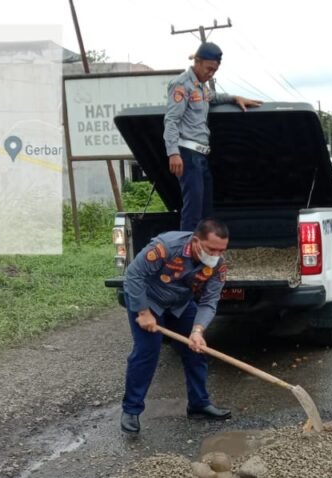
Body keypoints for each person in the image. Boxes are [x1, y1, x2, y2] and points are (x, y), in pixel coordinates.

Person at [120, 218, 233, 434]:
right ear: (196, 241)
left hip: (179, 304)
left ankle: (198, 404)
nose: (216, 255)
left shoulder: (218, 265)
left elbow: (209, 301)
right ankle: (131, 410)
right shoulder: (166, 247)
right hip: (148, 300)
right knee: (146, 352)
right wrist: (143, 312)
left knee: (197, 350)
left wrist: (197, 331)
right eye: (211, 249)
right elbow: (134, 275)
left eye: (221, 250)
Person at [165, 42, 262, 231]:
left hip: (201, 156)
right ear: (197, 62)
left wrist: (235, 98)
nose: (211, 74)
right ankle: (185, 249)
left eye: (215, 71)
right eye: (208, 68)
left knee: (206, 211)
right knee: (193, 211)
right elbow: (171, 120)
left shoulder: (200, 88)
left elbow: (214, 97)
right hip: (187, 154)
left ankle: (203, 248)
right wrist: (173, 153)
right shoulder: (181, 84)